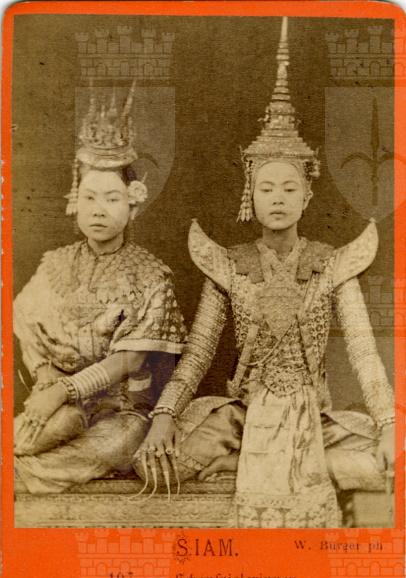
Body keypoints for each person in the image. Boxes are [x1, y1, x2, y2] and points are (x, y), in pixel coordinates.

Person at [134, 18, 394, 528]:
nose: (278, 199)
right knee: (156, 462)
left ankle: (248, 468)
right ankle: (259, 462)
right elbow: (198, 354)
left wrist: (388, 424)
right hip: (245, 412)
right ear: (250, 194)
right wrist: (164, 415)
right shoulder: (228, 264)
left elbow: (365, 355)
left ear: (307, 195)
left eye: (289, 188)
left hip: (312, 417)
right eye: (267, 188)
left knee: (383, 460)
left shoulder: (332, 263)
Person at [14, 83, 187, 494]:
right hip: (61, 398)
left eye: (111, 199)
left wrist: (63, 389)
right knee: (22, 436)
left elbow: (129, 360)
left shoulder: (151, 275)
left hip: (125, 410)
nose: (98, 210)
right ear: (76, 201)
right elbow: (23, 320)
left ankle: (20, 480)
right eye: (90, 198)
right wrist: (45, 377)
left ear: (133, 204)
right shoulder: (54, 263)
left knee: (103, 449)